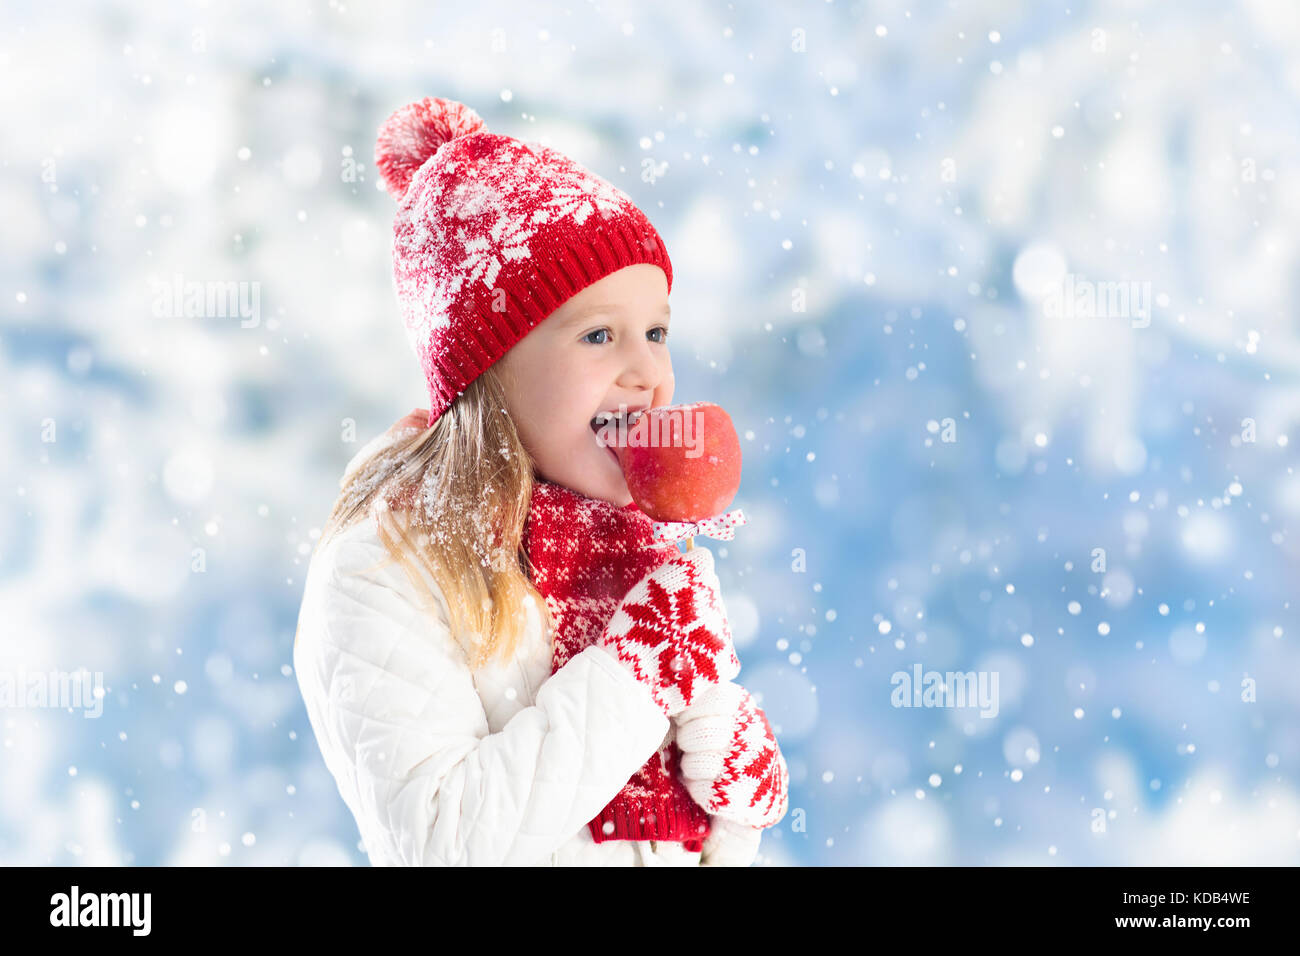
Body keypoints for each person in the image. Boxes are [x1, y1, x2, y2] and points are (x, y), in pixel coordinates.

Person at [293, 97, 789, 866]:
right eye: (599, 335)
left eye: (657, 333)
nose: (648, 373)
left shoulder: (634, 553)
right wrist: (636, 674)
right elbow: (442, 842)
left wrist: (729, 806)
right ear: (489, 367)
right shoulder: (384, 567)